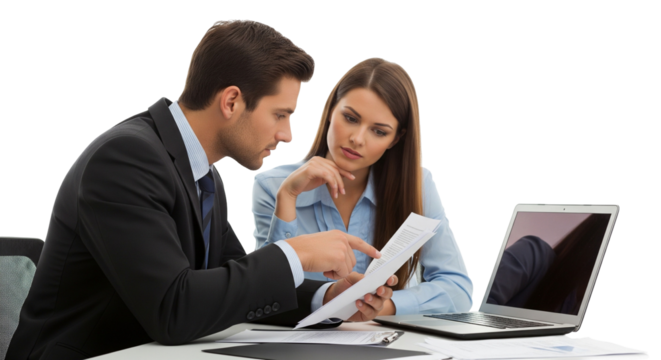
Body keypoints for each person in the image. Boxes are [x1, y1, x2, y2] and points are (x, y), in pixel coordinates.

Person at [6, 19, 397, 360]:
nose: (287, 135)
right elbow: (173, 310)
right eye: (280, 115)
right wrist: (293, 254)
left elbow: (231, 285)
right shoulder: (125, 159)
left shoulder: (204, 176)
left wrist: (328, 299)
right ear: (231, 101)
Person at [251, 56, 474, 316]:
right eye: (351, 118)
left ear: (395, 139)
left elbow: (458, 291)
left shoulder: (417, 183)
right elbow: (265, 294)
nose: (357, 139)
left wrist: (385, 307)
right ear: (331, 110)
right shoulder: (274, 184)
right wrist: (288, 197)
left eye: (379, 131)